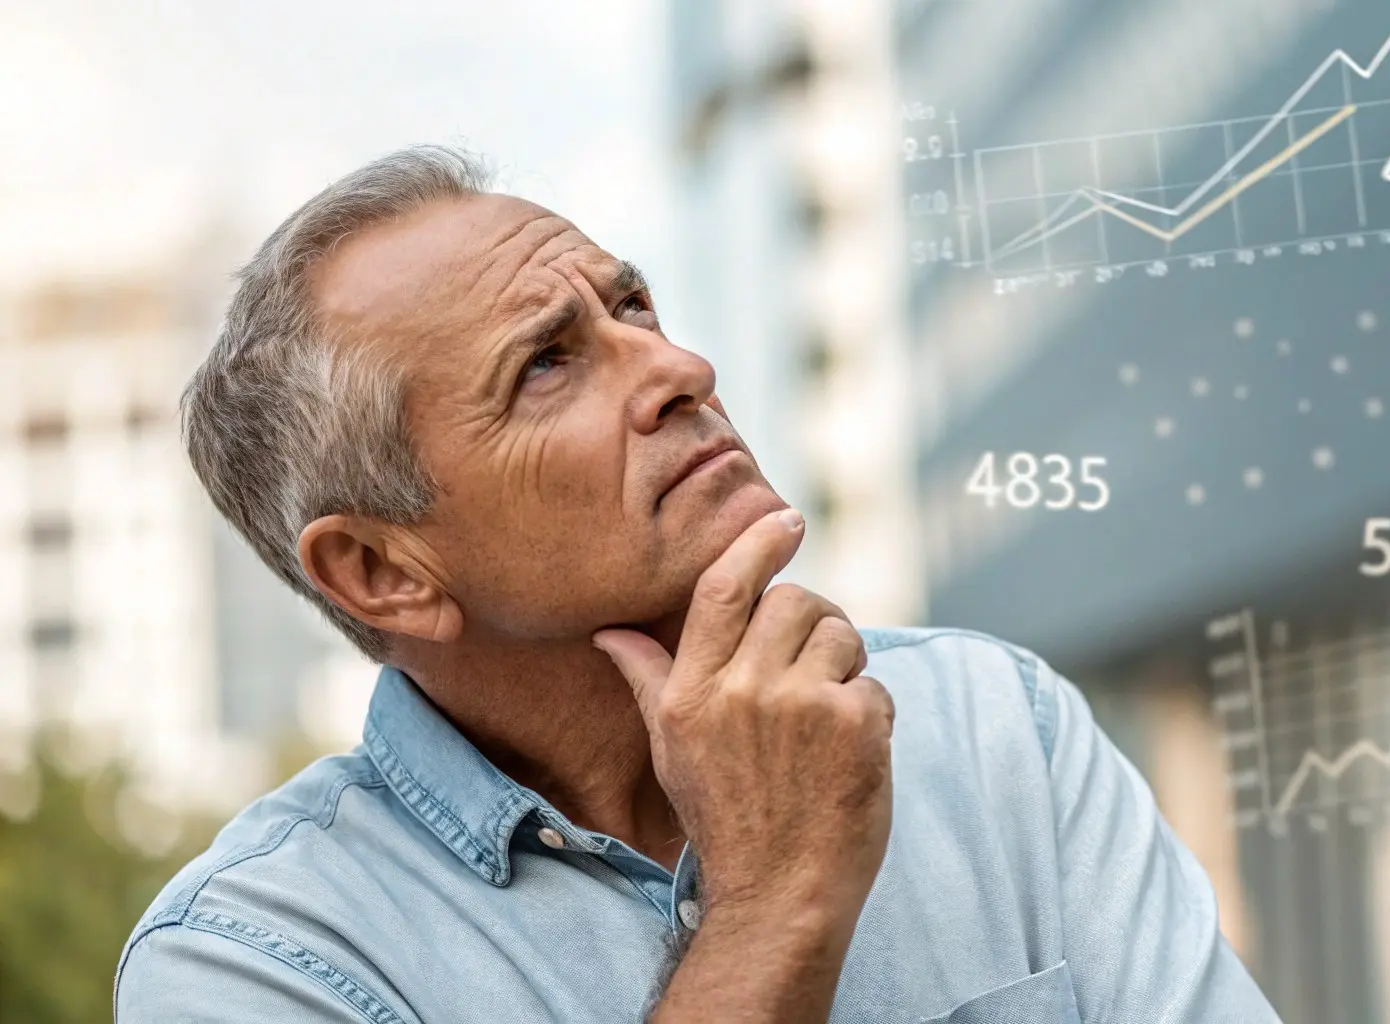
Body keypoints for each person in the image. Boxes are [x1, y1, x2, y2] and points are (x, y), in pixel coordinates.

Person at [114, 146, 1279, 1024]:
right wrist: (771, 907)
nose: (680, 367)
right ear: (381, 569)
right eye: (547, 364)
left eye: (630, 306)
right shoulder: (255, 959)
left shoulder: (989, 726)